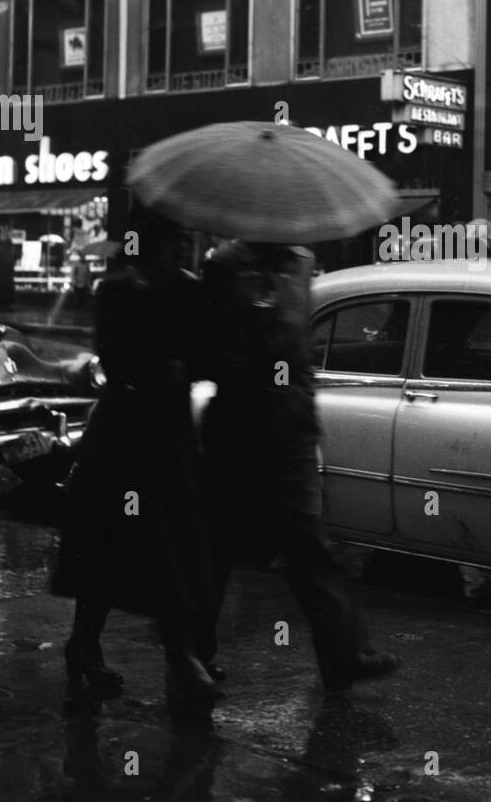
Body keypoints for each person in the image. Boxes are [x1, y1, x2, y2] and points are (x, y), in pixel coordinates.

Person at [200, 240, 400, 696]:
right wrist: (252, 321)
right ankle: (194, 657)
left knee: (309, 546)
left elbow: (299, 351)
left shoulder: (301, 263)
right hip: (239, 431)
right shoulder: (225, 267)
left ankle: (343, 657)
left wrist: (304, 412)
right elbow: (210, 347)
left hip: (291, 431)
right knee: (217, 549)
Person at [52, 209, 225, 716]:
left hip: (168, 435)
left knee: (167, 548)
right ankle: (91, 644)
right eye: (175, 240)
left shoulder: (190, 290)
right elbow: (114, 355)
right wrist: (160, 363)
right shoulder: (122, 289)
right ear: (150, 244)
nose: (182, 249)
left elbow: (206, 354)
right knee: (111, 547)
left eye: (187, 240)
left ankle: (183, 657)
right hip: (126, 435)